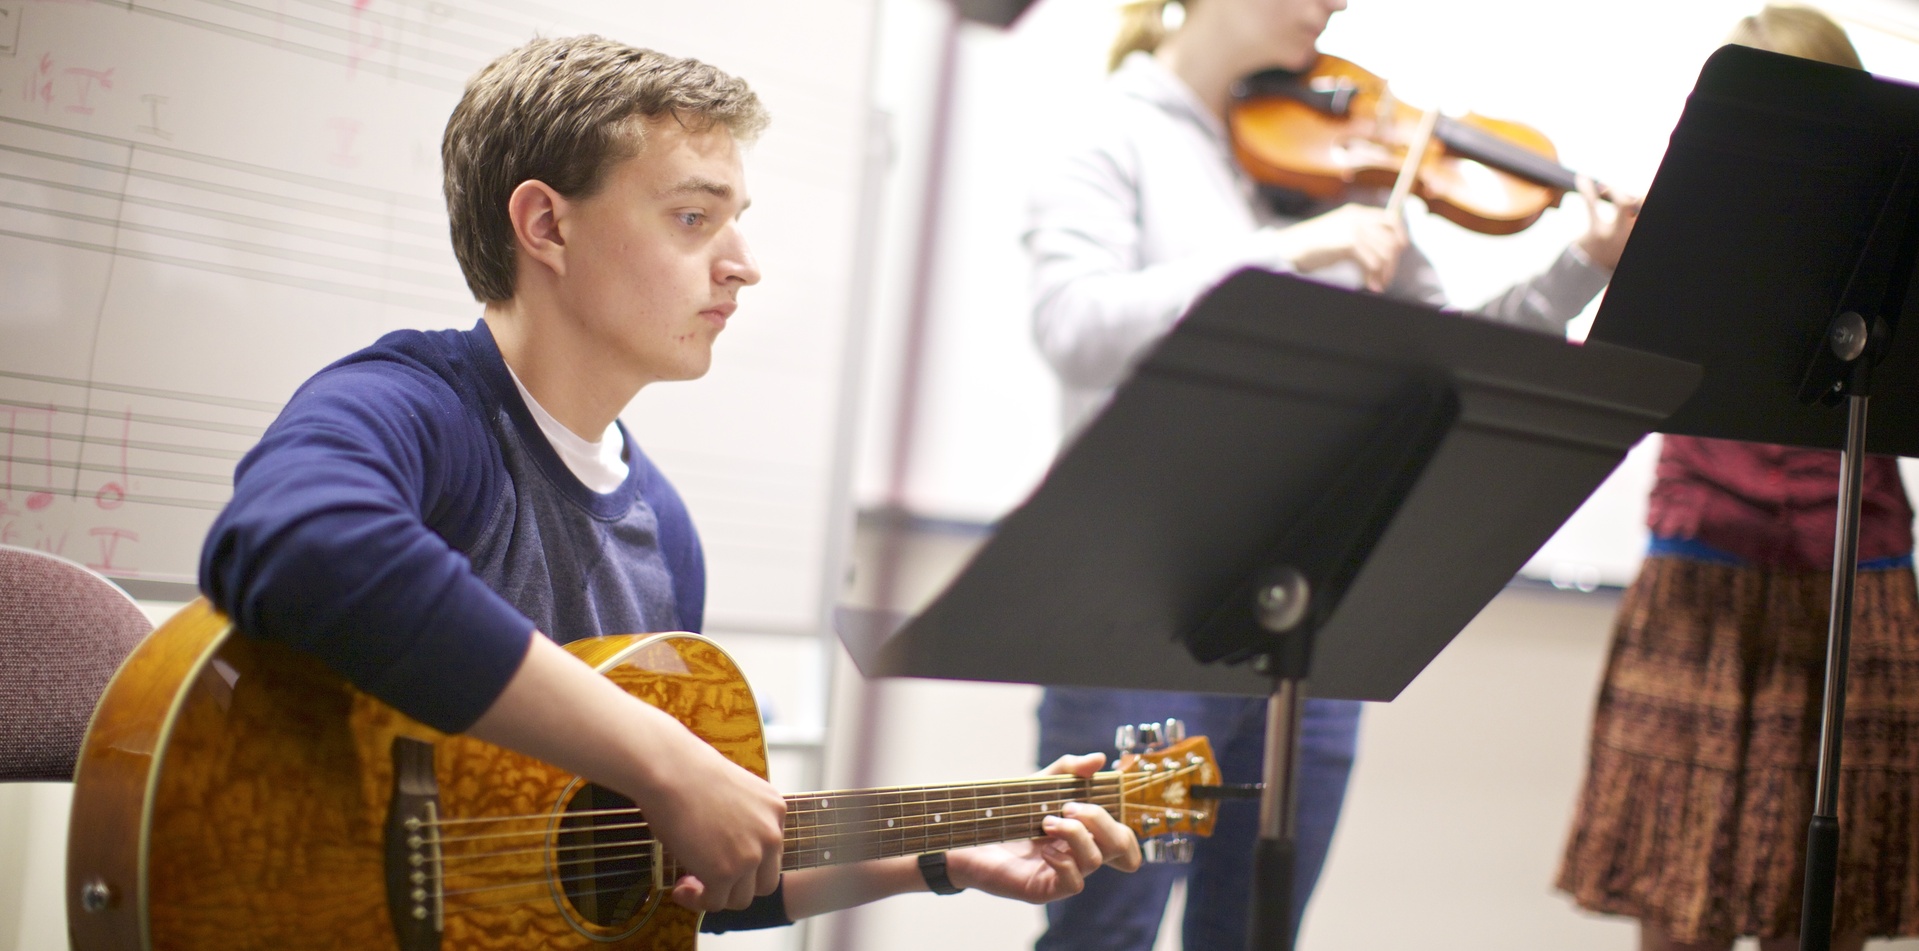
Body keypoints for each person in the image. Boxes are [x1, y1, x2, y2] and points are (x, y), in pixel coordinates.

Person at [199, 34, 1140, 936]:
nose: (743, 264)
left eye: (737, 221)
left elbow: (670, 879)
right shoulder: (412, 407)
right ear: (546, 225)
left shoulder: (665, 530)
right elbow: (295, 544)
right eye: (694, 217)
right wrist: (669, 760)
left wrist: (942, 855)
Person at [1022, 0, 1639, 947]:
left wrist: (1577, 267)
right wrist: (1283, 252)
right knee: (1105, 930)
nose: (1336, 4)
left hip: (1309, 620)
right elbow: (1075, 328)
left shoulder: (1328, 156)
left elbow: (1458, 359)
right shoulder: (1114, 129)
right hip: (1139, 618)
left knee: (1257, 934)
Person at [1556, 8, 1919, 950]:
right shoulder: (1686, 238)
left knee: (1830, 905)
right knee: (1682, 899)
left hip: (1855, 579)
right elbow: (1604, 394)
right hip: (1703, 574)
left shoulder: (1898, 246)